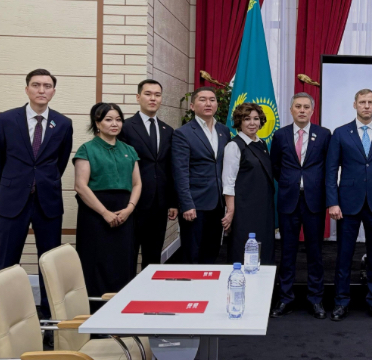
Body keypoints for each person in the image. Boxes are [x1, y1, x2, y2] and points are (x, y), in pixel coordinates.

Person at [0, 68, 73, 319]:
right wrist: (8, 191)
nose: (41, 90)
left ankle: (49, 320)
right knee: (6, 262)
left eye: (47, 86)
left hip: (48, 201)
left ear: (53, 91)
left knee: (49, 263)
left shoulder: (63, 123)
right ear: (27, 89)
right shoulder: (6, 119)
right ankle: (4, 320)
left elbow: (60, 162)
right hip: (13, 200)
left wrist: (44, 182)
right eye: (36, 85)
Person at [326, 89, 372, 322]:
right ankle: (341, 302)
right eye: (362, 102)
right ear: (355, 105)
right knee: (344, 256)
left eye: (370, 102)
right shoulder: (340, 133)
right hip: (347, 204)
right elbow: (331, 171)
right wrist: (332, 202)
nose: (366, 106)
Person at [269, 93, 331, 319]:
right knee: (287, 252)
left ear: (312, 110)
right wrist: (290, 182)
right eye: (298, 106)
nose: (302, 110)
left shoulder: (324, 135)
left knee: (315, 252)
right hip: (288, 200)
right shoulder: (280, 135)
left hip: (314, 201)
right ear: (291, 110)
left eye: (306, 107)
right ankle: (285, 298)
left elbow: (329, 166)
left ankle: (316, 299)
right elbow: (275, 166)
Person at [73, 103, 141, 296]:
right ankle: (94, 307)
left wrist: (129, 209)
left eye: (118, 120)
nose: (114, 124)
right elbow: (80, 186)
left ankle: (121, 304)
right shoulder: (86, 149)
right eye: (108, 119)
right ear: (97, 123)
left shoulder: (129, 150)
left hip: (124, 212)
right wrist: (104, 213)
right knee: (95, 259)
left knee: (123, 259)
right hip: (95, 213)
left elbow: (137, 184)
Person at [118, 79, 178, 271]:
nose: (153, 98)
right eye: (148, 94)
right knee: (128, 252)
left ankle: (150, 287)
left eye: (157, 95)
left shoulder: (167, 130)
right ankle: (127, 288)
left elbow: (169, 167)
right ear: (138, 97)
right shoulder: (125, 127)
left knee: (153, 254)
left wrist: (172, 202)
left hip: (159, 203)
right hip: (132, 202)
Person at [172, 87, 230, 264]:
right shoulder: (183, 133)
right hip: (195, 204)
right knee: (192, 254)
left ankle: (208, 282)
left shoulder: (224, 131)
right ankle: (189, 283)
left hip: (217, 203)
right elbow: (180, 172)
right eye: (203, 99)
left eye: (212, 100)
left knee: (212, 252)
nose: (208, 103)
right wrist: (186, 204)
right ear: (192, 106)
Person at [222, 103, 275, 265]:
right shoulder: (234, 146)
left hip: (263, 208)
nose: (252, 123)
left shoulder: (261, 144)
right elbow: (228, 181)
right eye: (247, 119)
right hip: (244, 209)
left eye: (256, 119)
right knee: (243, 249)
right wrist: (231, 211)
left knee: (264, 248)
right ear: (239, 122)